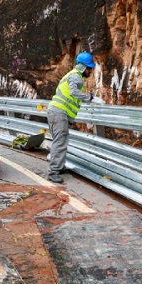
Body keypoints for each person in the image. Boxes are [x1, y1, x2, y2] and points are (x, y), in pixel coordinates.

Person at [46, 51, 96, 184]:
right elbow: (73, 92)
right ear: (83, 67)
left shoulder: (73, 76)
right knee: (60, 141)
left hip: (57, 112)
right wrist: (89, 98)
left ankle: (59, 166)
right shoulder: (76, 76)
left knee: (61, 140)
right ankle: (54, 171)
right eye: (89, 68)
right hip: (59, 112)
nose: (90, 71)